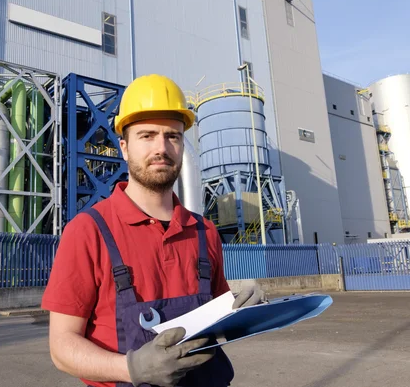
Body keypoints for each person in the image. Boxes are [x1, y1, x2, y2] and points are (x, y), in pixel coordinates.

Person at [41, 74, 265, 387]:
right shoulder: (88, 231)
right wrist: (131, 368)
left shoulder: (205, 232)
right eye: (147, 135)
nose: (161, 147)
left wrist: (243, 312)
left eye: (172, 136)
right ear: (124, 147)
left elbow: (214, 327)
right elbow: (62, 348)